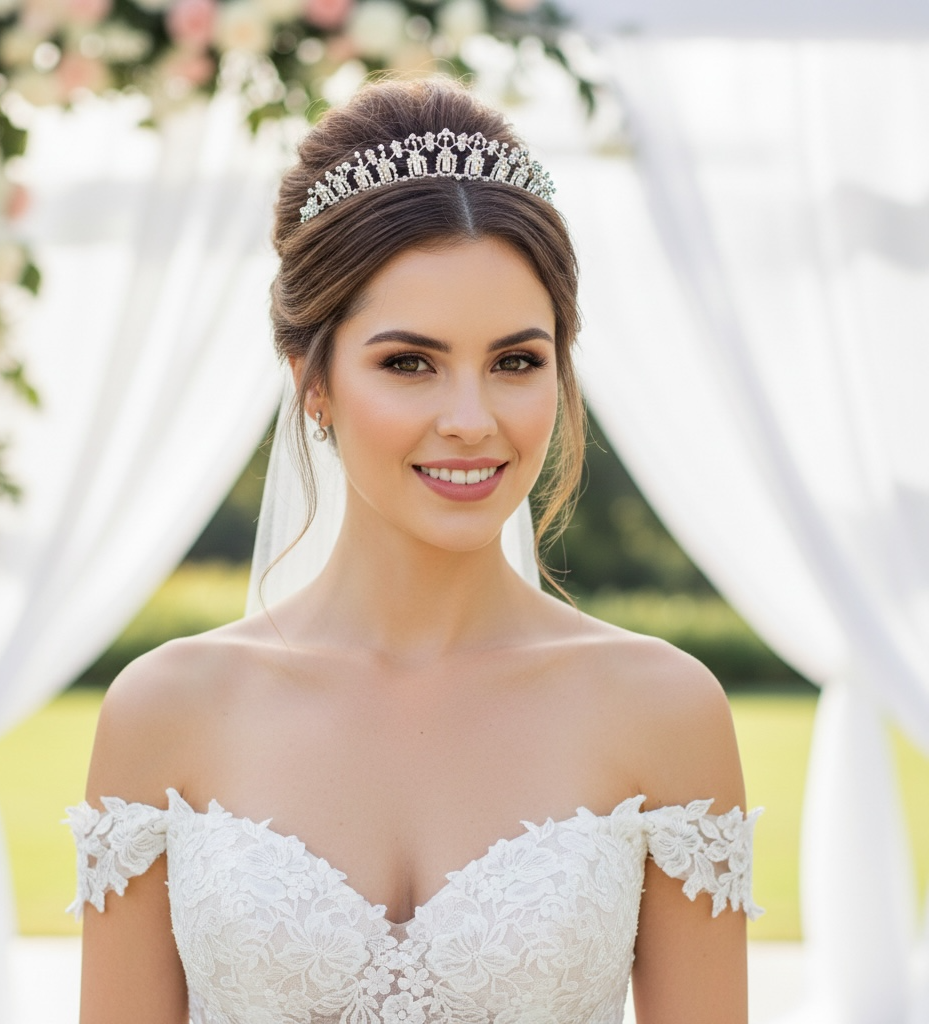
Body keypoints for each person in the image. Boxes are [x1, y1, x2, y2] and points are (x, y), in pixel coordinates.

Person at [67, 77, 761, 1024]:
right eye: (409, 363)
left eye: (517, 362)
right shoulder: (165, 712)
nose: (472, 421)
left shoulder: (665, 711)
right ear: (311, 380)